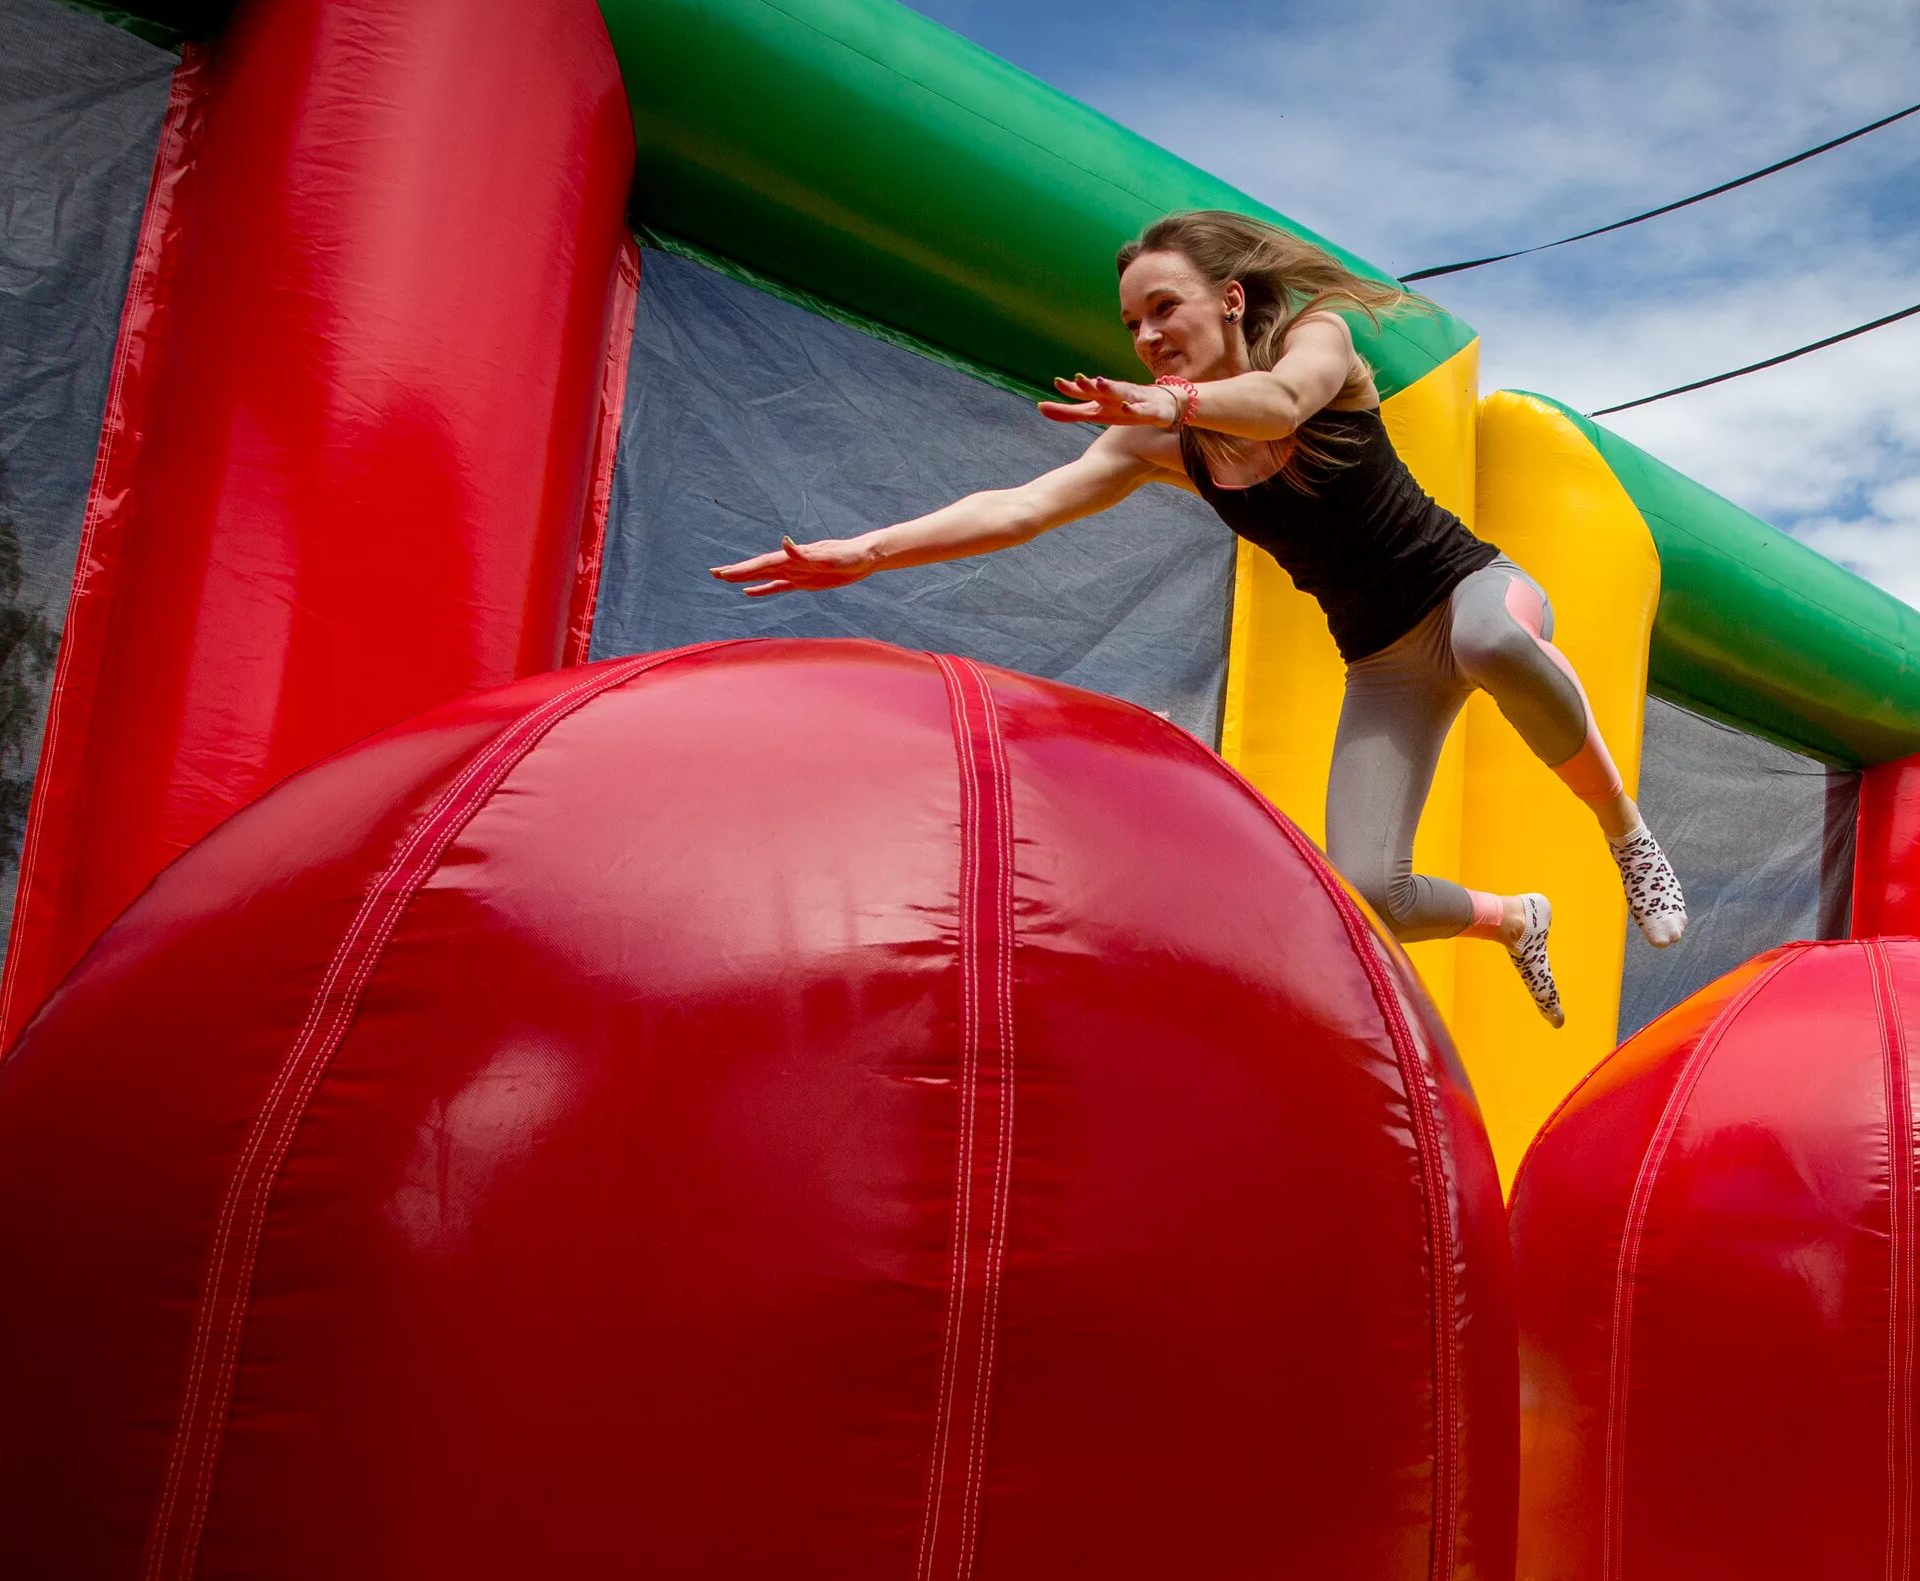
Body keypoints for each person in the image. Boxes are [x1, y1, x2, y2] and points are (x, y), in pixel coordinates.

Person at [708, 209, 1685, 1027]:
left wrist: (1167, 394)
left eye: (1161, 308)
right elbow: (1021, 506)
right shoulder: (1157, 441)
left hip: (1470, 587)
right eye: (1132, 322)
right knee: (1370, 891)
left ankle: (1626, 834)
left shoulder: (1317, 344)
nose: (1145, 335)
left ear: (1227, 298)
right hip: (1383, 659)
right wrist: (867, 550)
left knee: (1488, 640)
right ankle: (1516, 917)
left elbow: (1275, 402)